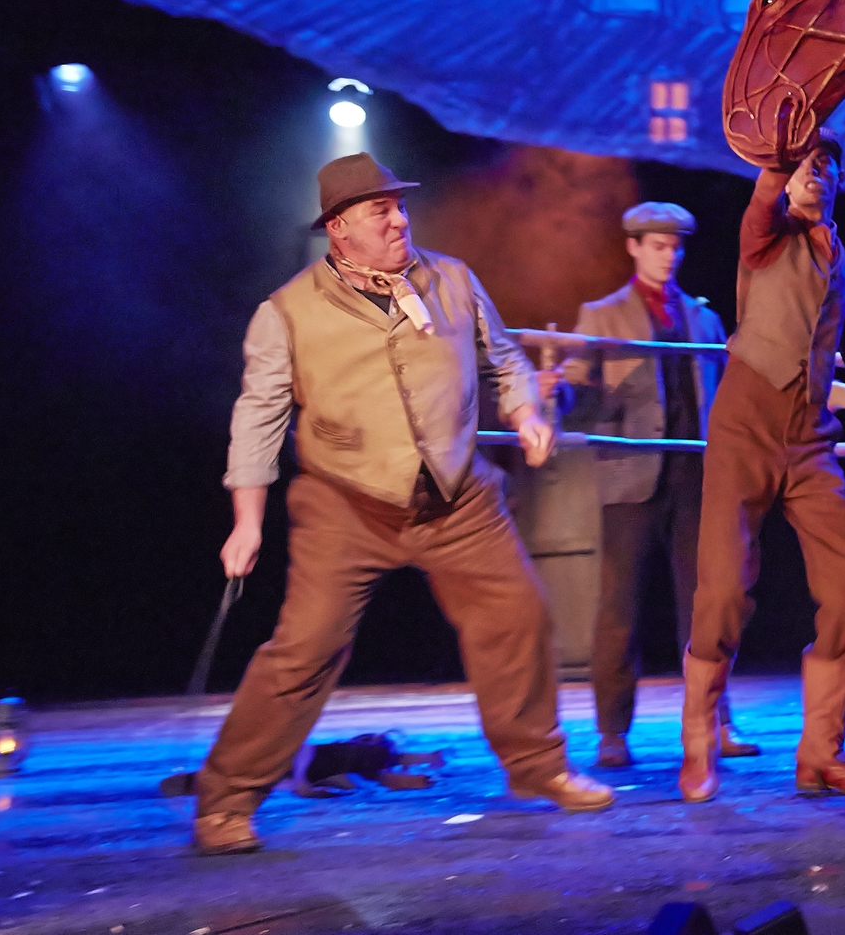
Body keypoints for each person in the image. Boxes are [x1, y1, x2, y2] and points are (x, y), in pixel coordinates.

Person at [193, 152, 612, 856]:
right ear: (339, 229)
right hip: (346, 502)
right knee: (305, 650)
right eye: (378, 211)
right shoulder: (286, 312)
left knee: (518, 616)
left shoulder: (452, 279)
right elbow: (258, 418)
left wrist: (528, 412)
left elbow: (502, 358)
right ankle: (226, 801)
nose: (397, 219)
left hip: (457, 496)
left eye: (399, 205)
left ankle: (538, 767)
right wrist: (247, 521)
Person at [679, 134, 845, 802]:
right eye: (803, 170)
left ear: (842, 179)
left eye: (826, 168)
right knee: (724, 589)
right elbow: (768, 182)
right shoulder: (765, 235)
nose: (814, 179)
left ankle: (822, 755)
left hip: (811, 439)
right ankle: (698, 741)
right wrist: (785, 152)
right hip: (743, 430)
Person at [538, 201, 758, 767]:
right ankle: (613, 731)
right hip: (630, 475)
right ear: (634, 247)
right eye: (657, 245)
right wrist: (553, 390)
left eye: (675, 246)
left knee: (707, 606)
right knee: (618, 608)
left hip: (695, 476)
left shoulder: (703, 319)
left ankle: (715, 721)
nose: (669, 255)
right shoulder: (602, 315)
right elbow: (579, 400)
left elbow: (723, 397)